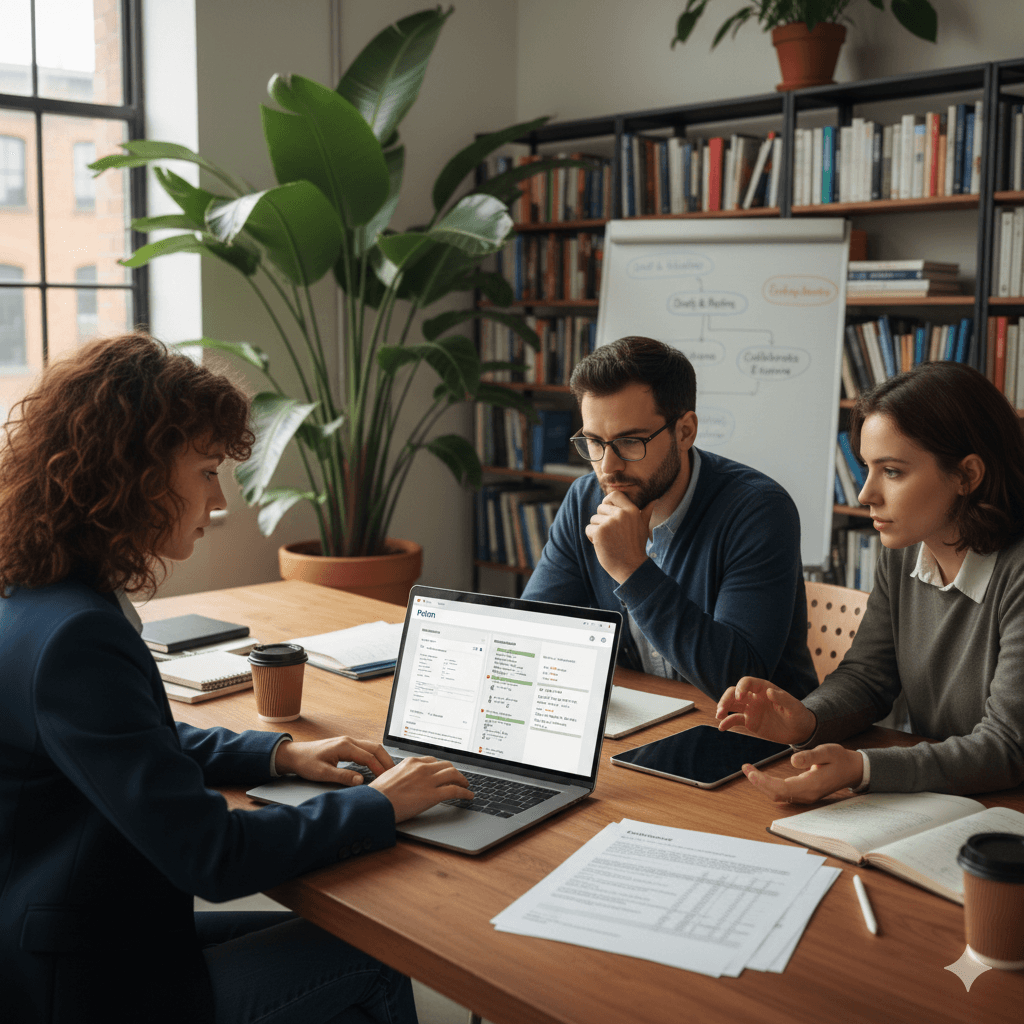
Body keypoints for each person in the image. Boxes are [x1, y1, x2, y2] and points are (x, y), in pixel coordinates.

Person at [0, 333, 473, 1024]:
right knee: (377, 954)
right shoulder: (79, 636)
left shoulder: (38, 594)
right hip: (87, 986)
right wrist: (383, 804)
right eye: (206, 471)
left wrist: (279, 752)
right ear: (137, 472)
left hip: (79, 935)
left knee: (342, 940)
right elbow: (211, 856)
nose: (218, 501)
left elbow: (132, 744)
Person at [716, 361, 1024, 803]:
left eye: (893, 471)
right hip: (944, 798)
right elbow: (868, 677)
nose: (865, 494)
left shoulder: (1017, 574)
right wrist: (806, 720)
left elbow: (1007, 746)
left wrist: (863, 769)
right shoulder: (902, 552)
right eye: (866, 467)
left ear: (967, 476)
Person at [521, 336, 817, 701]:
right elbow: (532, 635)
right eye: (594, 442)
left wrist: (633, 570)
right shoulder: (584, 499)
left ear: (685, 431)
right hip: (645, 720)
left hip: (759, 739)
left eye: (630, 442)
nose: (607, 467)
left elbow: (739, 680)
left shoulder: (759, 510)